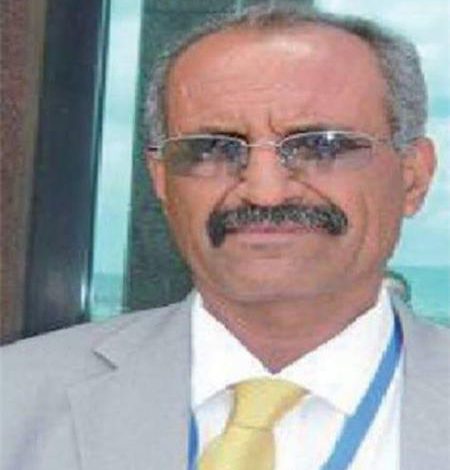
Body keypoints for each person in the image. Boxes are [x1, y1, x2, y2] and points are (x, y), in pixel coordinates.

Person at [1, 4, 449, 470]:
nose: (265, 191)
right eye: (212, 149)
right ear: (161, 181)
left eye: (321, 146)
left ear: (413, 177)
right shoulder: (13, 402)